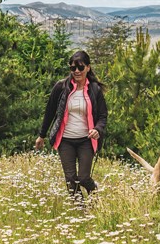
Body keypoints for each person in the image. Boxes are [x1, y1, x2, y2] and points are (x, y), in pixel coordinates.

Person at [35, 50, 108, 201]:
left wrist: (97, 129)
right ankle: (80, 211)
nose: (76, 71)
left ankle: (95, 195)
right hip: (65, 140)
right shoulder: (61, 87)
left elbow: (102, 116)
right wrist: (42, 135)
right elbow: (49, 112)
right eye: (73, 68)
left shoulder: (95, 89)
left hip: (86, 140)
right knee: (70, 179)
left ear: (88, 68)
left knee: (83, 177)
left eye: (80, 68)